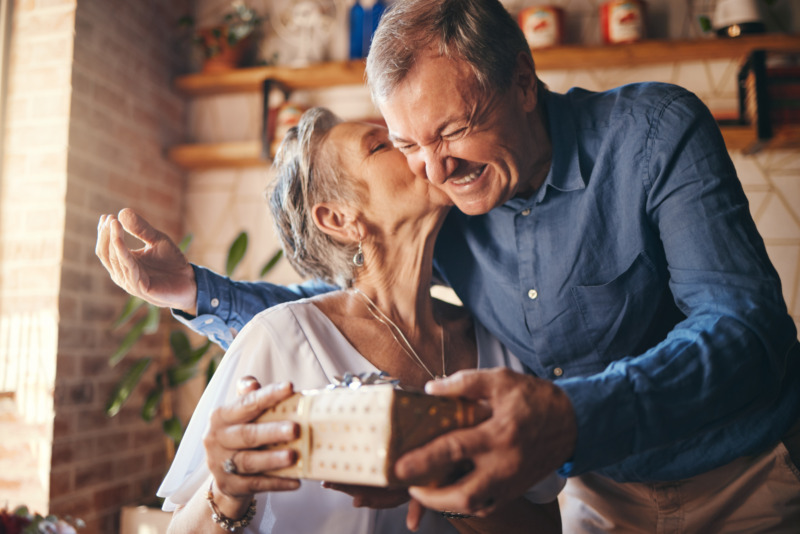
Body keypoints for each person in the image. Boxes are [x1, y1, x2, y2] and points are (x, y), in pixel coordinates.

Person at [97, 0, 800, 530]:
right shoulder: (455, 202)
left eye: (453, 130)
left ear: (524, 81)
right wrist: (192, 290)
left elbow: (745, 326)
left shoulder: (652, 133)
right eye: (404, 144)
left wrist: (568, 420)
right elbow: (343, 315)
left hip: (735, 476)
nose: (436, 167)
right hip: (596, 500)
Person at [99, 107, 564, 533]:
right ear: (340, 218)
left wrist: (449, 486)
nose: (411, 145)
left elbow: (545, 525)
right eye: (382, 145)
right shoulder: (277, 339)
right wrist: (227, 491)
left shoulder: (498, 339)